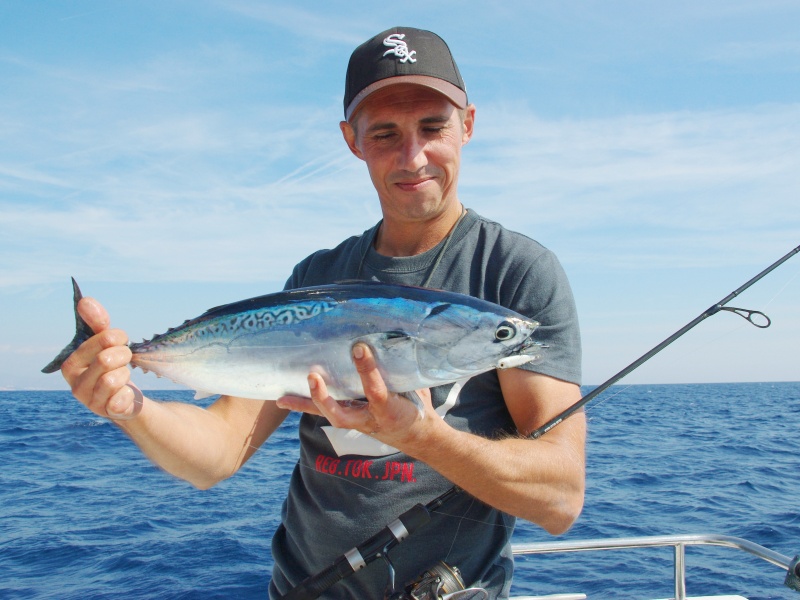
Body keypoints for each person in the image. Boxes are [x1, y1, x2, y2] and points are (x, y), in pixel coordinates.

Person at [59, 27, 585, 599]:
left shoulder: (515, 272)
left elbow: (560, 498)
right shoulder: (316, 277)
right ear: (352, 140)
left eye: (433, 127)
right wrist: (129, 406)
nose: (414, 156)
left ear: (468, 124)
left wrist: (424, 437)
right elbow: (218, 453)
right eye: (384, 133)